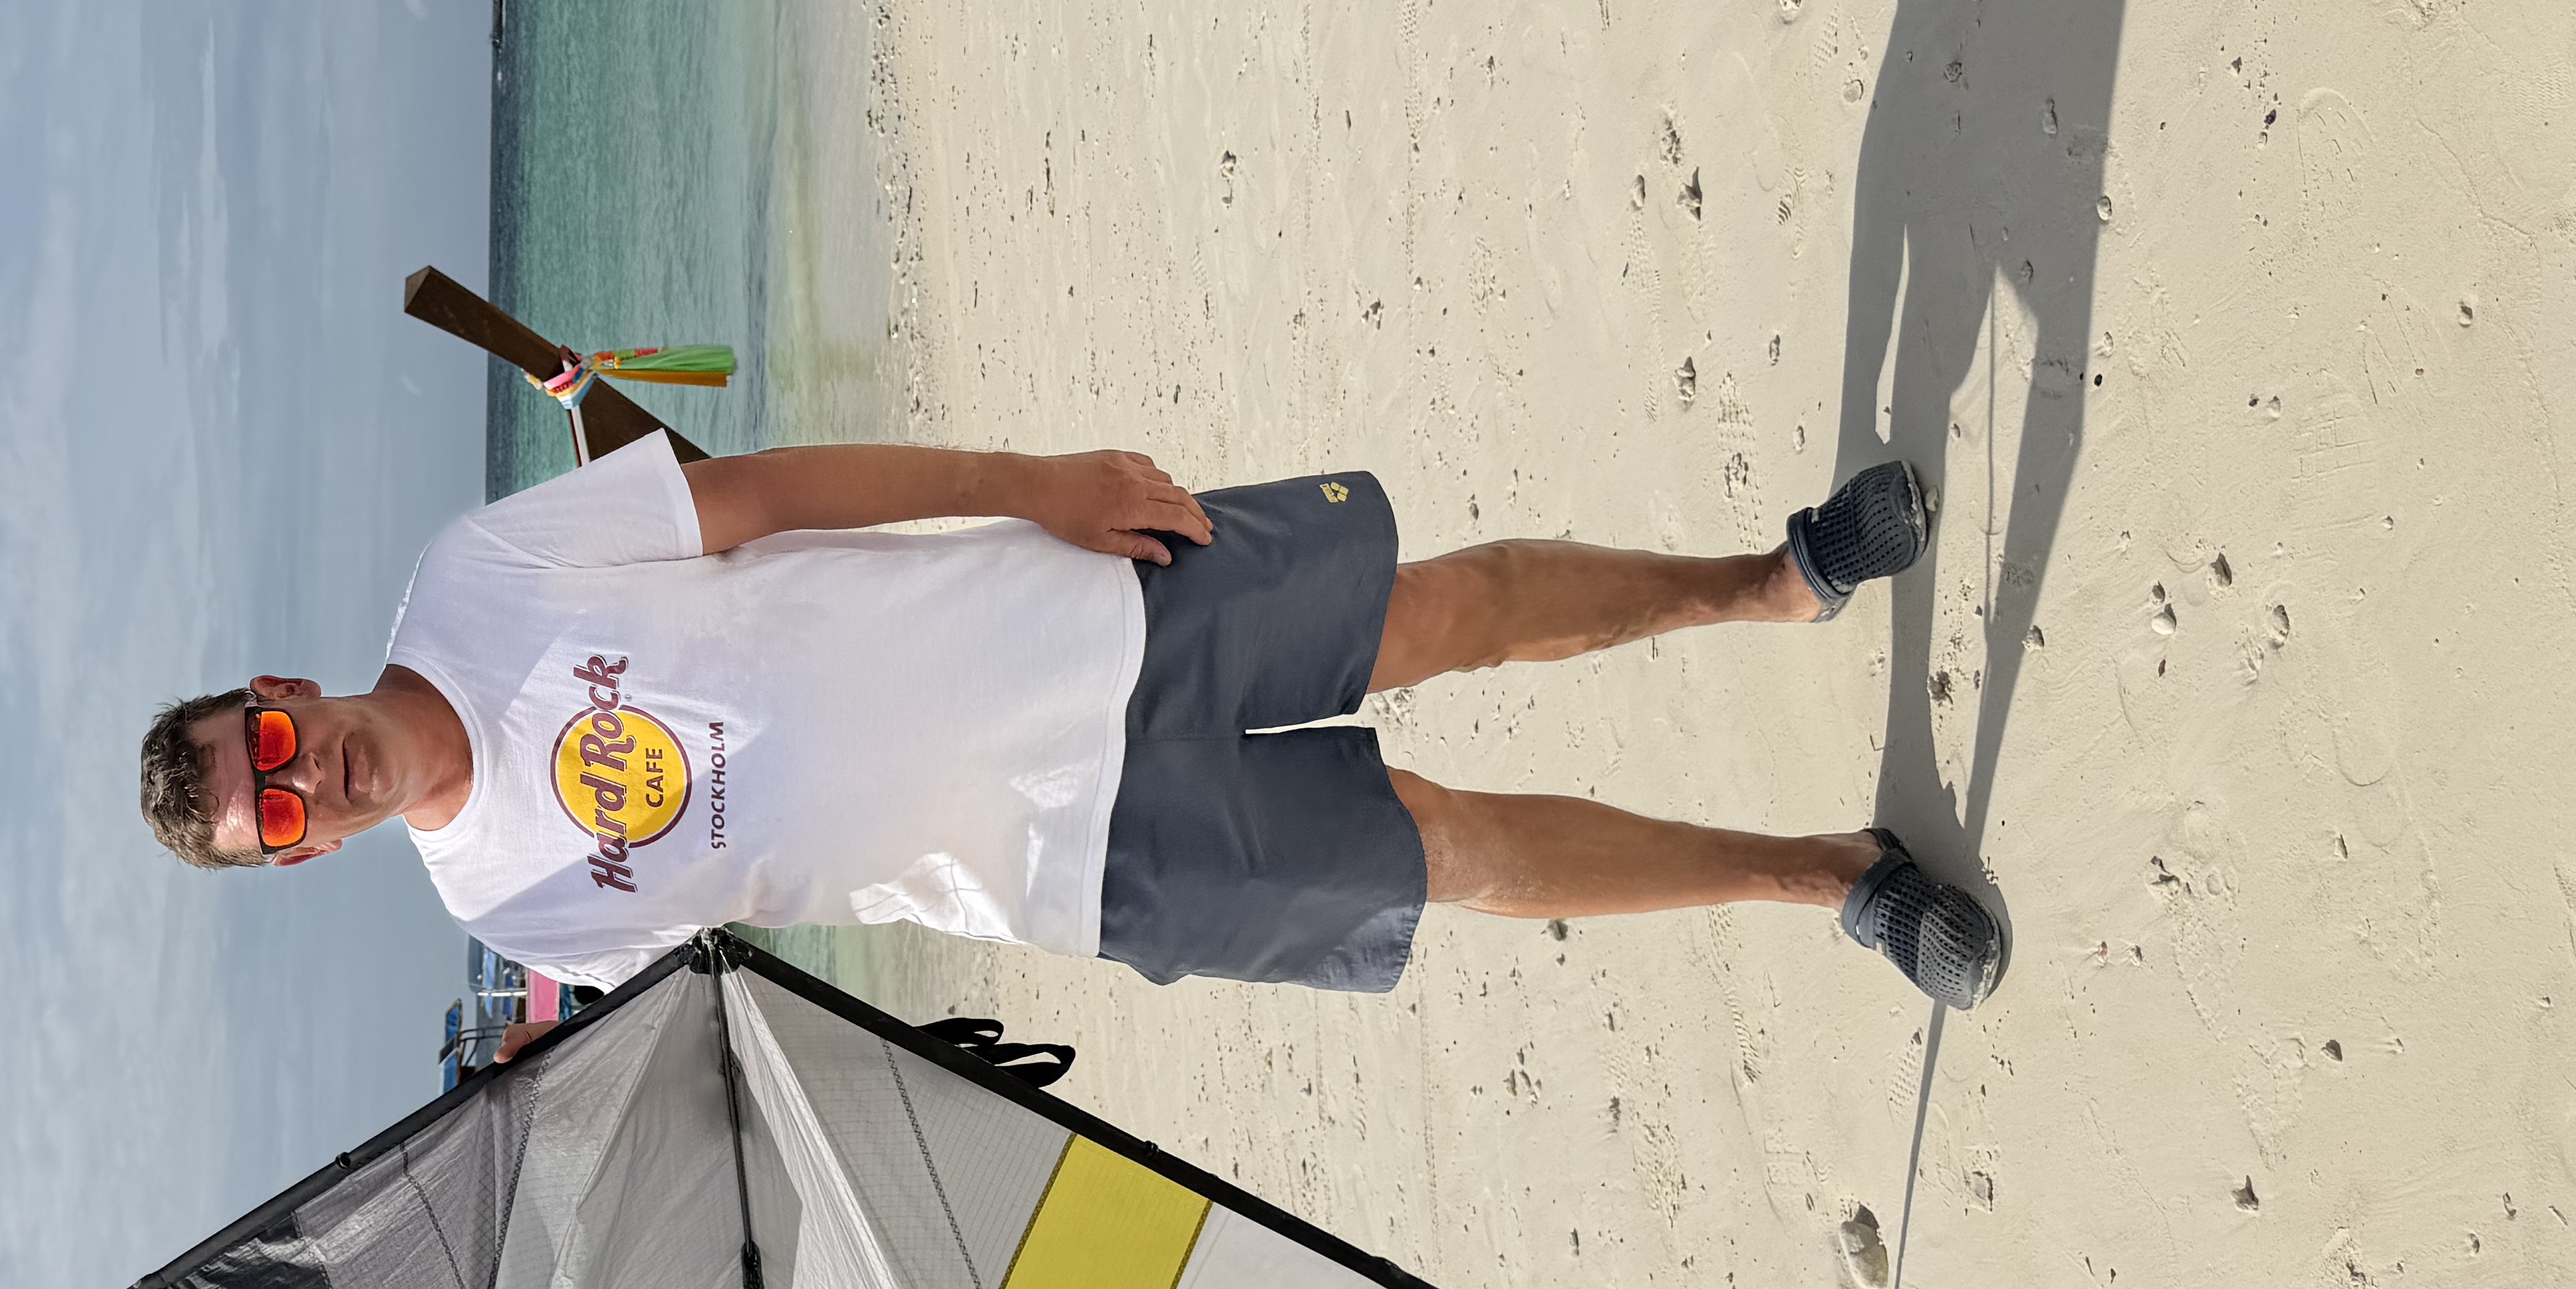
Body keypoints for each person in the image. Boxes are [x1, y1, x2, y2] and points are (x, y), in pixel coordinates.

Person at [135, 439, 2002, 1018]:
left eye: (271, 755)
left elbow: (769, 495)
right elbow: (736, 994)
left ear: (283, 693)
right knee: (1458, 860)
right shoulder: (510, 912)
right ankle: (1830, 880)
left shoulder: (479, 575)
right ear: (302, 856)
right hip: (1055, 863)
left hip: (1069, 613)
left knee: (1437, 613)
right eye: (277, 821)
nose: (306, 786)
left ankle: (1770, 581)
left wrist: (1031, 483)